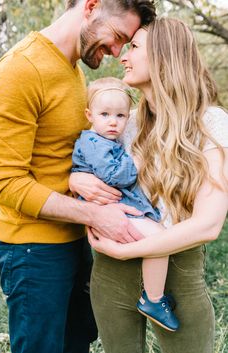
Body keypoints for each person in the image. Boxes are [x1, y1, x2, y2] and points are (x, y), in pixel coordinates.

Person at [0, 1, 157, 352]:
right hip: (32, 250)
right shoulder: (22, 70)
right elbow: (3, 183)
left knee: (77, 342)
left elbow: (60, 155)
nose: (116, 52)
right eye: (116, 37)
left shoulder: (72, 68)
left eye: (124, 44)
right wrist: (96, 214)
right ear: (91, 6)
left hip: (72, 241)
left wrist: (73, 179)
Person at [69, 18, 228, 353]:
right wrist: (75, 178)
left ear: (164, 56)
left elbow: (209, 224)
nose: (123, 56)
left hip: (177, 276)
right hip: (110, 274)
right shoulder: (123, 122)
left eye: (135, 47)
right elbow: (89, 164)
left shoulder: (211, 122)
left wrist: (129, 249)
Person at [71, 76, 179, 331]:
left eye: (120, 115)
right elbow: (114, 176)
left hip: (118, 207)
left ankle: (153, 293)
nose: (113, 121)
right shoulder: (93, 142)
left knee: (158, 238)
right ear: (89, 114)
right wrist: (137, 163)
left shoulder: (105, 140)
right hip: (108, 209)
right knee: (159, 241)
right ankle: (153, 299)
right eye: (105, 114)